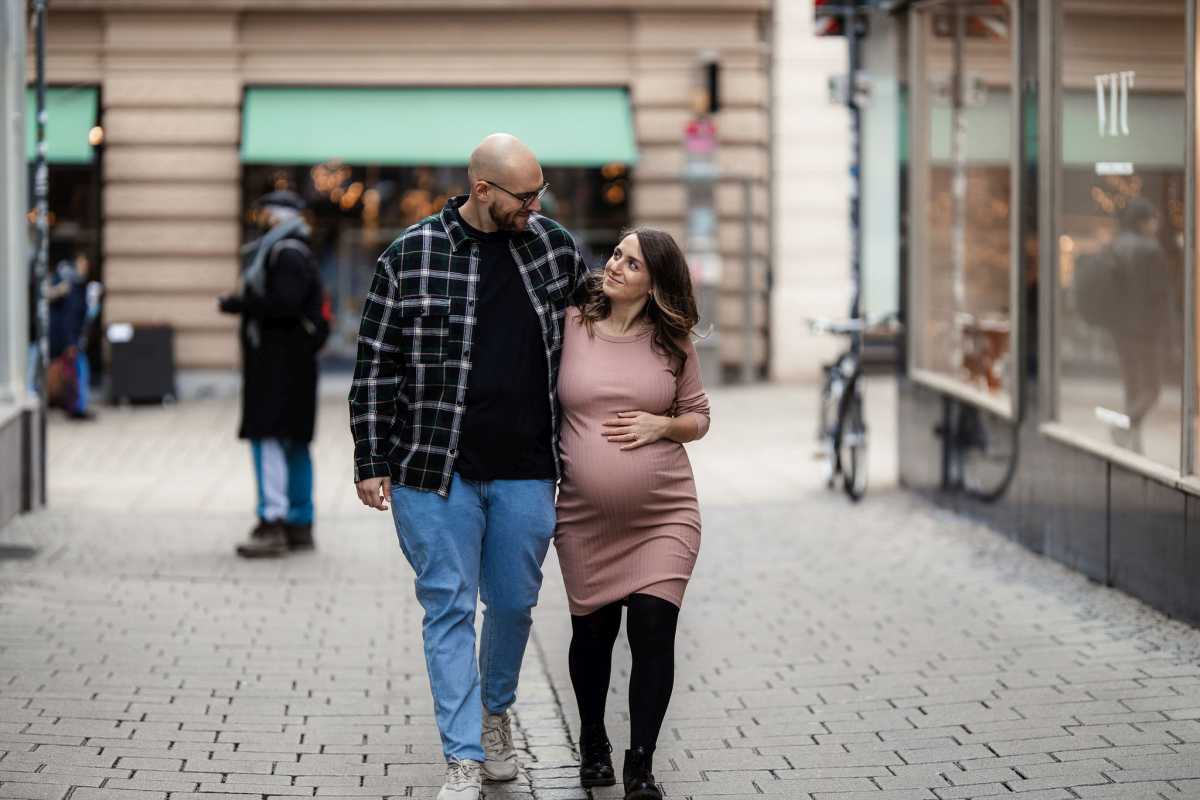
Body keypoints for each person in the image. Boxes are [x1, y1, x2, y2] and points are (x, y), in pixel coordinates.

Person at [349, 134, 589, 800]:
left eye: (541, 191)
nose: (537, 205)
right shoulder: (411, 256)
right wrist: (371, 459)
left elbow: (597, 337)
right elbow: (375, 365)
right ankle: (461, 756)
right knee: (448, 608)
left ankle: (494, 712)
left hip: (529, 466)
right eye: (525, 194)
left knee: (513, 604)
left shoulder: (555, 248)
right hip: (432, 470)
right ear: (483, 190)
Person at [554, 228, 710, 800]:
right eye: (616, 254)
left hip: (664, 514)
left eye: (633, 263)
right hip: (584, 518)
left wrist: (661, 424)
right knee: (592, 636)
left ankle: (639, 764)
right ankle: (592, 738)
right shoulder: (572, 324)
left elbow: (698, 416)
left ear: (655, 282)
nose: (615, 266)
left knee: (652, 629)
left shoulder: (673, 343)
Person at [219, 190, 328, 558]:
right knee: (295, 444)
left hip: (276, 369)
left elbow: (283, 304)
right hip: (294, 367)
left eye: (266, 213)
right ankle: (300, 525)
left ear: (278, 217)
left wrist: (239, 303)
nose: (261, 220)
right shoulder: (299, 251)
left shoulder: (284, 253)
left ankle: (273, 522)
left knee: (268, 441)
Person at [1106, 198, 1171, 453]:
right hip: (1145, 329)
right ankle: (1124, 427)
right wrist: (1170, 330)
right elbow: (1161, 294)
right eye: (1152, 219)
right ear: (1143, 222)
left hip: (1121, 329)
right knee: (1153, 388)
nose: (1155, 224)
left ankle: (1134, 446)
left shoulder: (1117, 246)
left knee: (1133, 387)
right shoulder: (1151, 250)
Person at [46, 249, 98, 420]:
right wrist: (71, 342)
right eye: (82, 263)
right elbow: (69, 317)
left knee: (78, 372)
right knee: (78, 372)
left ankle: (77, 406)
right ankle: (77, 407)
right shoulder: (71, 285)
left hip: (74, 339)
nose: (85, 267)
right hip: (72, 340)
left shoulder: (76, 284)